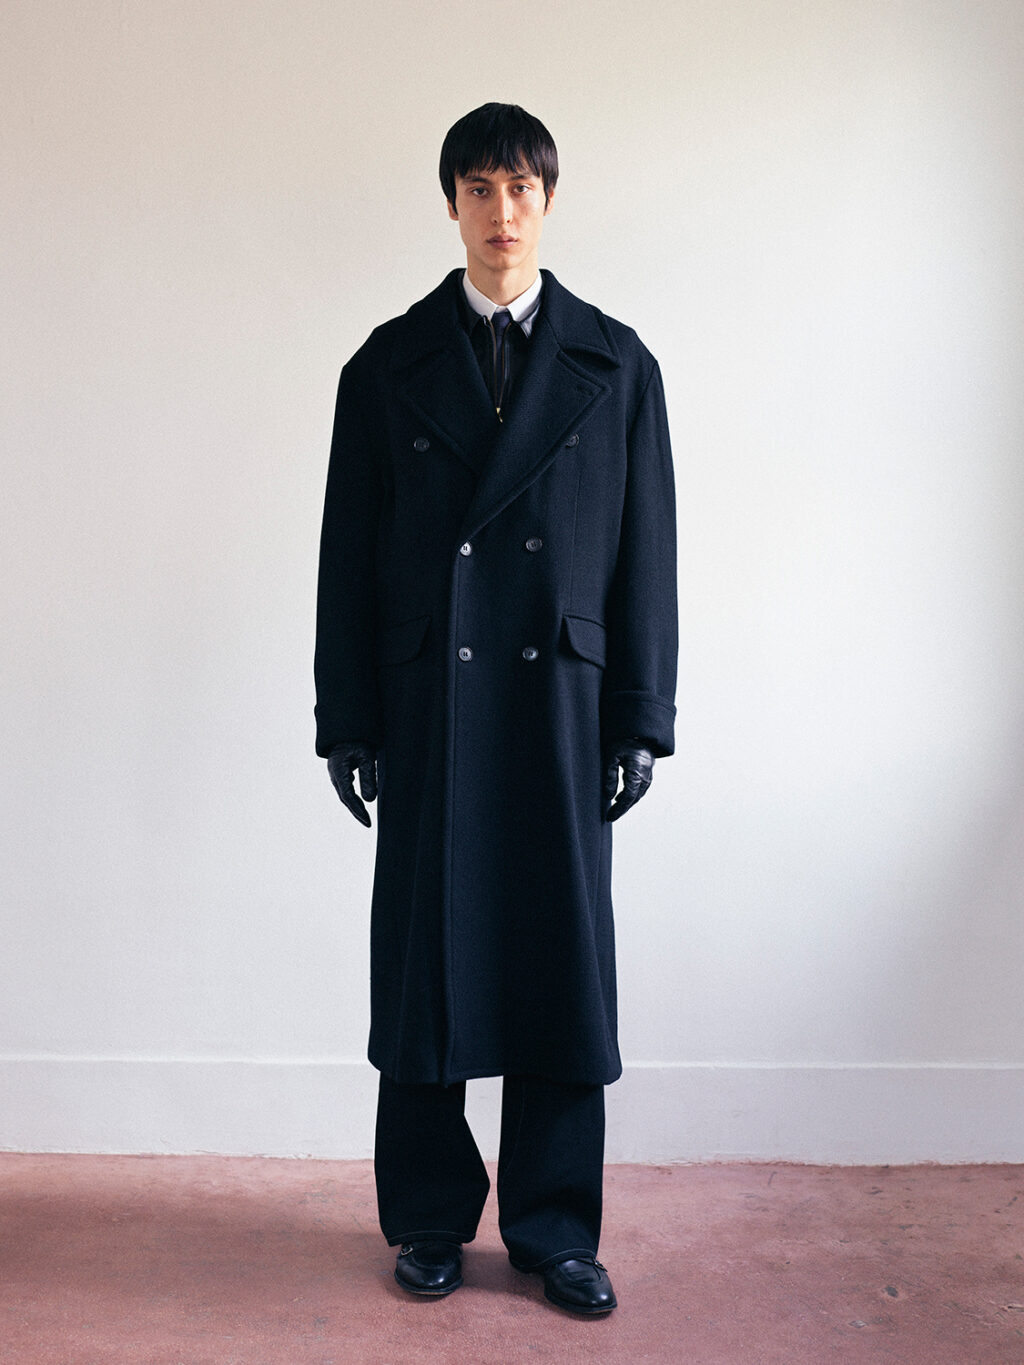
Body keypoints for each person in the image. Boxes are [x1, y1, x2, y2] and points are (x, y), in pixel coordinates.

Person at [314, 103, 677, 1315]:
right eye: (479, 189)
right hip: (433, 704)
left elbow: (647, 555)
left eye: (521, 189)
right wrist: (346, 716)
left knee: (559, 966)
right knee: (427, 961)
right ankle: (427, 1217)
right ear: (451, 205)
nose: (501, 212)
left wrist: (639, 715)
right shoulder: (385, 365)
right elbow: (347, 558)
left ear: (549, 202)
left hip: (560, 707)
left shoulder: (615, 364)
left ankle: (555, 1229)